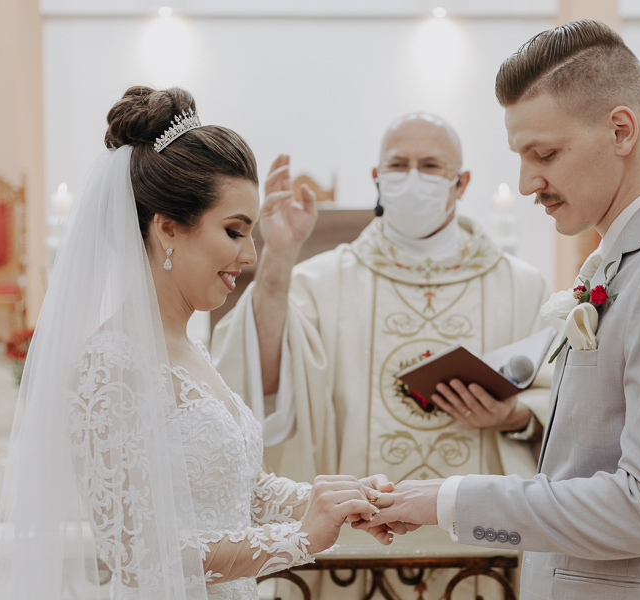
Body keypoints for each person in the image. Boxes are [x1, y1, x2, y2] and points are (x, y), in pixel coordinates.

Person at [362, 19, 640, 599]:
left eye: (545, 153)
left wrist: (447, 500)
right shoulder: (633, 259)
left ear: (621, 130)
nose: (528, 182)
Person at [0, 86, 392, 600]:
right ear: (168, 227)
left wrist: (334, 497)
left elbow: (241, 488)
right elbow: (136, 553)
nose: (248, 256)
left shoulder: (190, 347)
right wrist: (301, 538)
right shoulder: (110, 364)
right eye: (235, 231)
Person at [211, 112, 554, 598]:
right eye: (398, 165)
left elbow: (565, 403)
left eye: (430, 166)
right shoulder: (322, 282)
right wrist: (279, 256)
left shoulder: (521, 286)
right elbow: (261, 384)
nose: (412, 177)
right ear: (376, 178)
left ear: (461, 182)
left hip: (481, 556)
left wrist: (514, 415)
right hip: (353, 551)